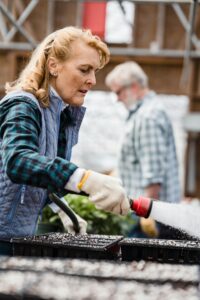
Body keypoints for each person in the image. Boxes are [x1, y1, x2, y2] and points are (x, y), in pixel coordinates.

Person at [0, 27, 130, 253]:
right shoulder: (23, 105)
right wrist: (85, 179)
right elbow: (18, 161)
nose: (92, 80)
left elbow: (43, 174)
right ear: (53, 66)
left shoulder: (56, 114)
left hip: (16, 239)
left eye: (95, 71)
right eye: (84, 69)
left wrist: (64, 209)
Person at [105, 61, 181, 239]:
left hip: (149, 213)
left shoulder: (148, 116)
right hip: (147, 209)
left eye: (118, 92)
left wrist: (148, 214)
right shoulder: (143, 112)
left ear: (133, 87)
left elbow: (153, 173)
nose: (117, 98)